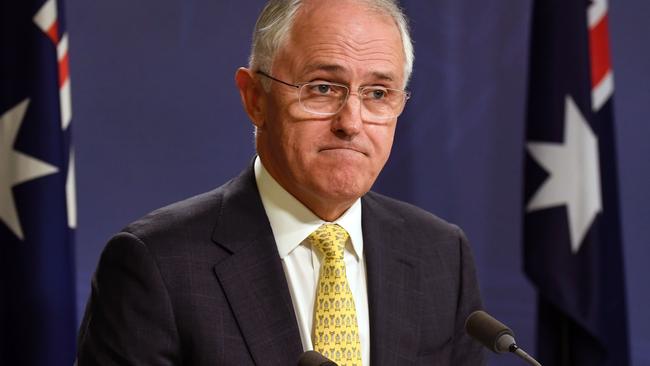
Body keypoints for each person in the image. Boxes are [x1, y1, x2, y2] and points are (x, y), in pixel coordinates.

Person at [76, 0, 485, 365]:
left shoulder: (441, 254)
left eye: (378, 93)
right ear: (255, 97)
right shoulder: (157, 263)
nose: (352, 123)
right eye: (323, 88)